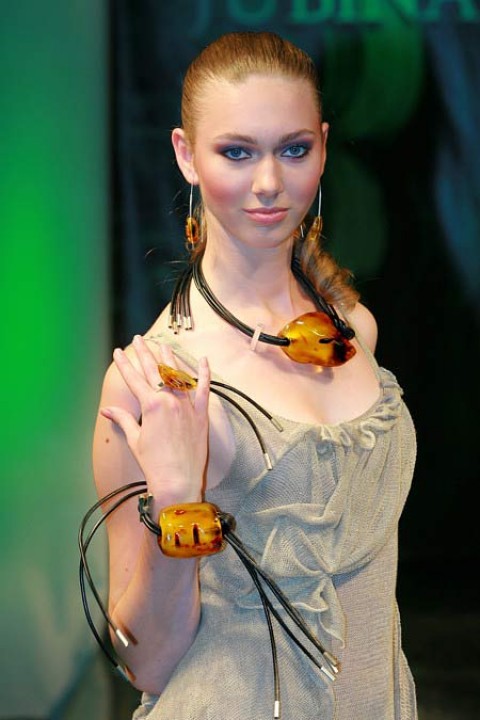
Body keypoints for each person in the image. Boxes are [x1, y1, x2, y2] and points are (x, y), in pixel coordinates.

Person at [93, 31, 417, 720]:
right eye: (236, 152)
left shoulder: (354, 331)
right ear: (186, 155)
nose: (269, 182)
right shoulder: (158, 381)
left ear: (323, 147)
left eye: (293, 149)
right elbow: (143, 662)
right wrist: (177, 501)